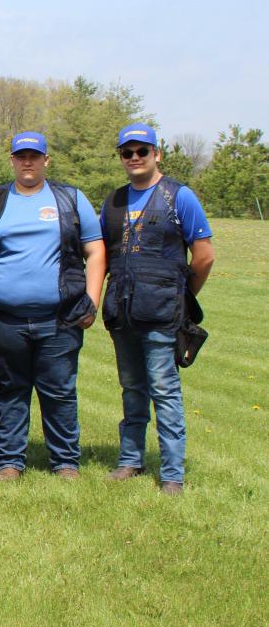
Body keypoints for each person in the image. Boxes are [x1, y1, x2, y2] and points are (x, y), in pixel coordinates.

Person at [0, 132, 106, 480]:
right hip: (4, 319)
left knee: (59, 390)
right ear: (11, 160)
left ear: (46, 160)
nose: (27, 162)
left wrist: (91, 300)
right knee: (11, 390)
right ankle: (10, 462)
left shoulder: (70, 198)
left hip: (60, 318)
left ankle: (65, 462)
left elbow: (96, 249)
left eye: (34, 156)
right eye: (20, 156)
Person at [100, 123, 214, 495]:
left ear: (156, 154)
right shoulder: (114, 202)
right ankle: (130, 460)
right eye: (127, 153)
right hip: (122, 311)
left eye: (141, 151)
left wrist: (182, 295)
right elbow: (101, 255)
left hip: (162, 313)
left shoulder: (179, 197)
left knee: (164, 391)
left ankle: (172, 474)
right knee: (131, 388)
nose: (134, 158)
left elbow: (204, 256)